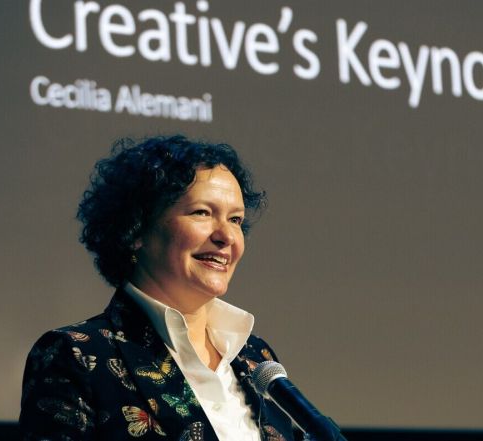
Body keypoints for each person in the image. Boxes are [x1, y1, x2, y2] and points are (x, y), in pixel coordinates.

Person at [20, 135, 294, 440]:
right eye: (202, 212)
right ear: (136, 228)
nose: (226, 236)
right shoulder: (76, 356)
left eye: (235, 219)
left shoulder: (255, 356)